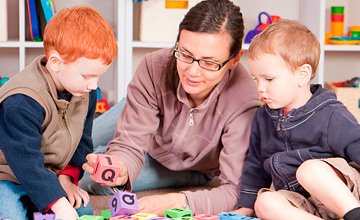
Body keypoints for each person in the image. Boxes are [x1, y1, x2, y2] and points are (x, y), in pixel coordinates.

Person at [79, 0, 260, 216]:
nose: (192, 71)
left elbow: (234, 190)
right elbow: (130, 143)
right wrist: (121, 166)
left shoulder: (245, 102)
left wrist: (178, 200)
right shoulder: (154, 66)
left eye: (209, 63)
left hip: (190, 168)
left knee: (92, 180)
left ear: (234, 59)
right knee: (71, 144)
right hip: (144, 117)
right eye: (185, 54)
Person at [235, 19, 360, 220]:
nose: (260, 88)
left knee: (309, 170)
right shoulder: (262, 117)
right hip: (304, 202)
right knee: (265, 203)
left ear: (302, 75)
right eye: (256, 79)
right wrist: (246, 207)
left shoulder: (330, 114)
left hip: (345, 194)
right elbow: (255, 166)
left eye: (269, 79)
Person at [0, 6, 117, 220]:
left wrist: (66, 179)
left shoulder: (84, 90)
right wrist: (57, 202)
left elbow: (82, 141)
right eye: (87, 76)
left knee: (83, 211)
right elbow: (25, 161)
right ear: (55, 62)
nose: (93, 85)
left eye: (98, 77)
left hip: (49, 174)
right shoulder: (21, 101)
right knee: (11, 215)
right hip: (8, 175)